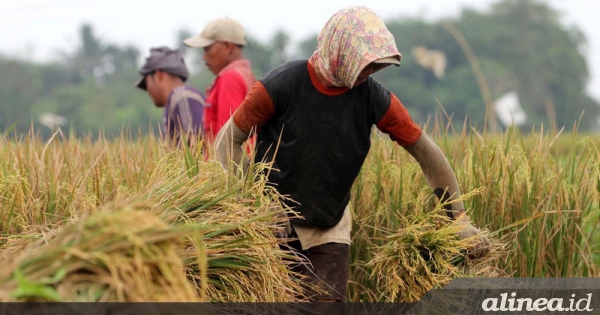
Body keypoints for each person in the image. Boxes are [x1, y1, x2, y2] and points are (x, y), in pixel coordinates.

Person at [214, 6, 490, 302]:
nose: (371, 73)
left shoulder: (373, 97)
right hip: (274, 224)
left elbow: (428, 154)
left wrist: (458, 218)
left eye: (376, 67)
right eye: (366, 65)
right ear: (340, 53)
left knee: (327, 307)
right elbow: (226, 143)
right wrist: (259, 205)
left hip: (329, 223)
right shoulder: (279, 86)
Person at [183, 17, 256, 143]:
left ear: (228, 46)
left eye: (207, 49)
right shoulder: (246, 75)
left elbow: (228, 141)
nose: (204, 57)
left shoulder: (230, 79)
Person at [135, 46, 205, 147]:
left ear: (159, 75)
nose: (148, 91)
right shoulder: (177, 99)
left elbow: (196, 146)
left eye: (146, 83)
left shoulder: (181, 96)